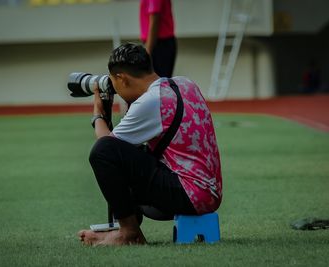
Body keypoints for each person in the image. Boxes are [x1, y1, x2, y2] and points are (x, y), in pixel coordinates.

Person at [78, 43, 222, 246]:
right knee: (127, 151)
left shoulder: (152, 101)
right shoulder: (184, 83)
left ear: (122, 78)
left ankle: (128, 233)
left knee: (103, 152)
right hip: (210, 191)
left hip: (190, 195)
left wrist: (98, 115)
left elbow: (107, 147)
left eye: (114, 84)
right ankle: (125, 228)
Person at [139, 0, 177, 78]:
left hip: (159, 44)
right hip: (157, 43)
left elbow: (155, 19)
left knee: (158, 83)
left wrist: (148, 50)